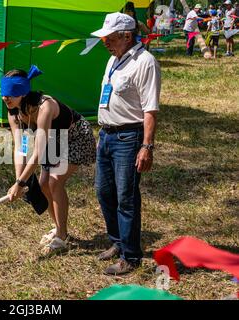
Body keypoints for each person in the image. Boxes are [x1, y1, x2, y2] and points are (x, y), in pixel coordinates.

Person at [91, 12, 161, 275]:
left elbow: (150, 110)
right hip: (107, 136)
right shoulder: (113, 59)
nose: (104, 42)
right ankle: (118, 242)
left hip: (128, 138)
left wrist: (147, 146)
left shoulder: (146, 63)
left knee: (126, 198)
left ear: (127, 36)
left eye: (109, 38)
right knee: (103, 192)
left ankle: (131, 257)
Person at [3, 66, 96, 256]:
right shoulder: (13, 113)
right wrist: (19, 180)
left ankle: (62, 236)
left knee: (54, 181)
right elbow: (21, 148)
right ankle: (58, 228)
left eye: (11, 94)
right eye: (4, 94)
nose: (6, 98)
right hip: (54, 141)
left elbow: (37, 150)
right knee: (43, 184)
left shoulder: (45, 106)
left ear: (23, 91)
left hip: (75, 137)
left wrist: (20, 183)